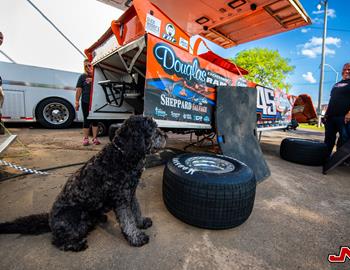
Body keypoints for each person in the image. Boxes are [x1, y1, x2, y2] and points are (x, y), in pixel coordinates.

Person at [324, 63, 350, 157]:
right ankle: (325, 157)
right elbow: (332, 100)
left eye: (349, 69)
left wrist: (349, 113)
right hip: (331, 116)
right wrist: (326, 114)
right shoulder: (336, 84)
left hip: (343, 117)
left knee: (344, 138)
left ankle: (340, 160)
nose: (347, 71)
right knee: (328, 138)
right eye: (345, 69)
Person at [75, 59, 100, 146]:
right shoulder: (82, 77)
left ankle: (95, 138)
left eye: (89, 65)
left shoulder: (98, 75)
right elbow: (79, 89)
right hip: (86, 101)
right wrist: (77, 102)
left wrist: (93, 78)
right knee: (86, 119)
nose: (88, 67)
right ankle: (85, 138)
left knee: (96, 120)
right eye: (86, 66)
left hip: (96, 102)